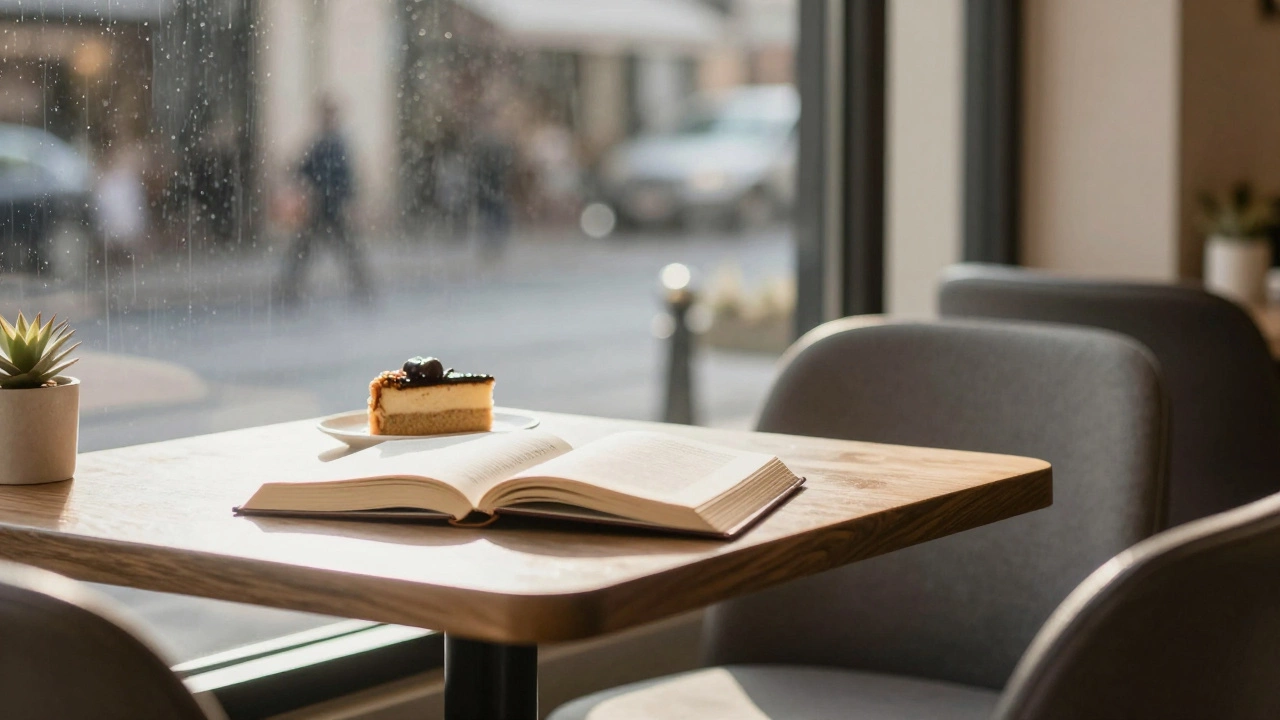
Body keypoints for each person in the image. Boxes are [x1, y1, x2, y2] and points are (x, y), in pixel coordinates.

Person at [278, 99, 372, 305]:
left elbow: (344, 177)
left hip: (330, 207)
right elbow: (307, 169)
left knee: (342, 249)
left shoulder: (335, 145)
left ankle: (363, 287)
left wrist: (348, 200)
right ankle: (289, 289)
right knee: (307, 250)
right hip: (321, 207)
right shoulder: (323, 144)